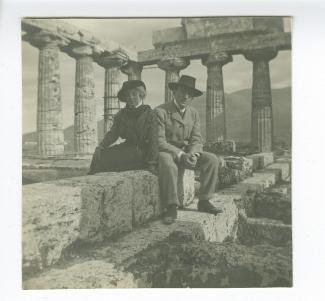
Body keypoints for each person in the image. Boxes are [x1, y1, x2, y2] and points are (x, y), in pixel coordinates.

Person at [155, 75, 223, 225]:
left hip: (187, 153)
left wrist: (193, 154)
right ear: (174, 92)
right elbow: (159, 141)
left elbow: (197, 139)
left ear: (192, 97)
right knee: (166, 162)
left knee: (211, 159)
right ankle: (171, 206)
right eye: (182, 91)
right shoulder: (160, 111)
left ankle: (204, 200)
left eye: (190, 94)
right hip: (168, 152)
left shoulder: (193, 113)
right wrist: (180, 154)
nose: (186, 96)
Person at [88, 80, 158, 175]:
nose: (130, 98)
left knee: (116, 162)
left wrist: (152, 163)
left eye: (134, 94)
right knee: (101, 156)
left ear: (141, 95)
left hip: (142, 151)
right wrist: (101, 146)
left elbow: (154, 139)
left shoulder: (150, 114)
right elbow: (113, 133)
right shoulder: (122, 114)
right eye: (127, 95)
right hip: (127, 147)